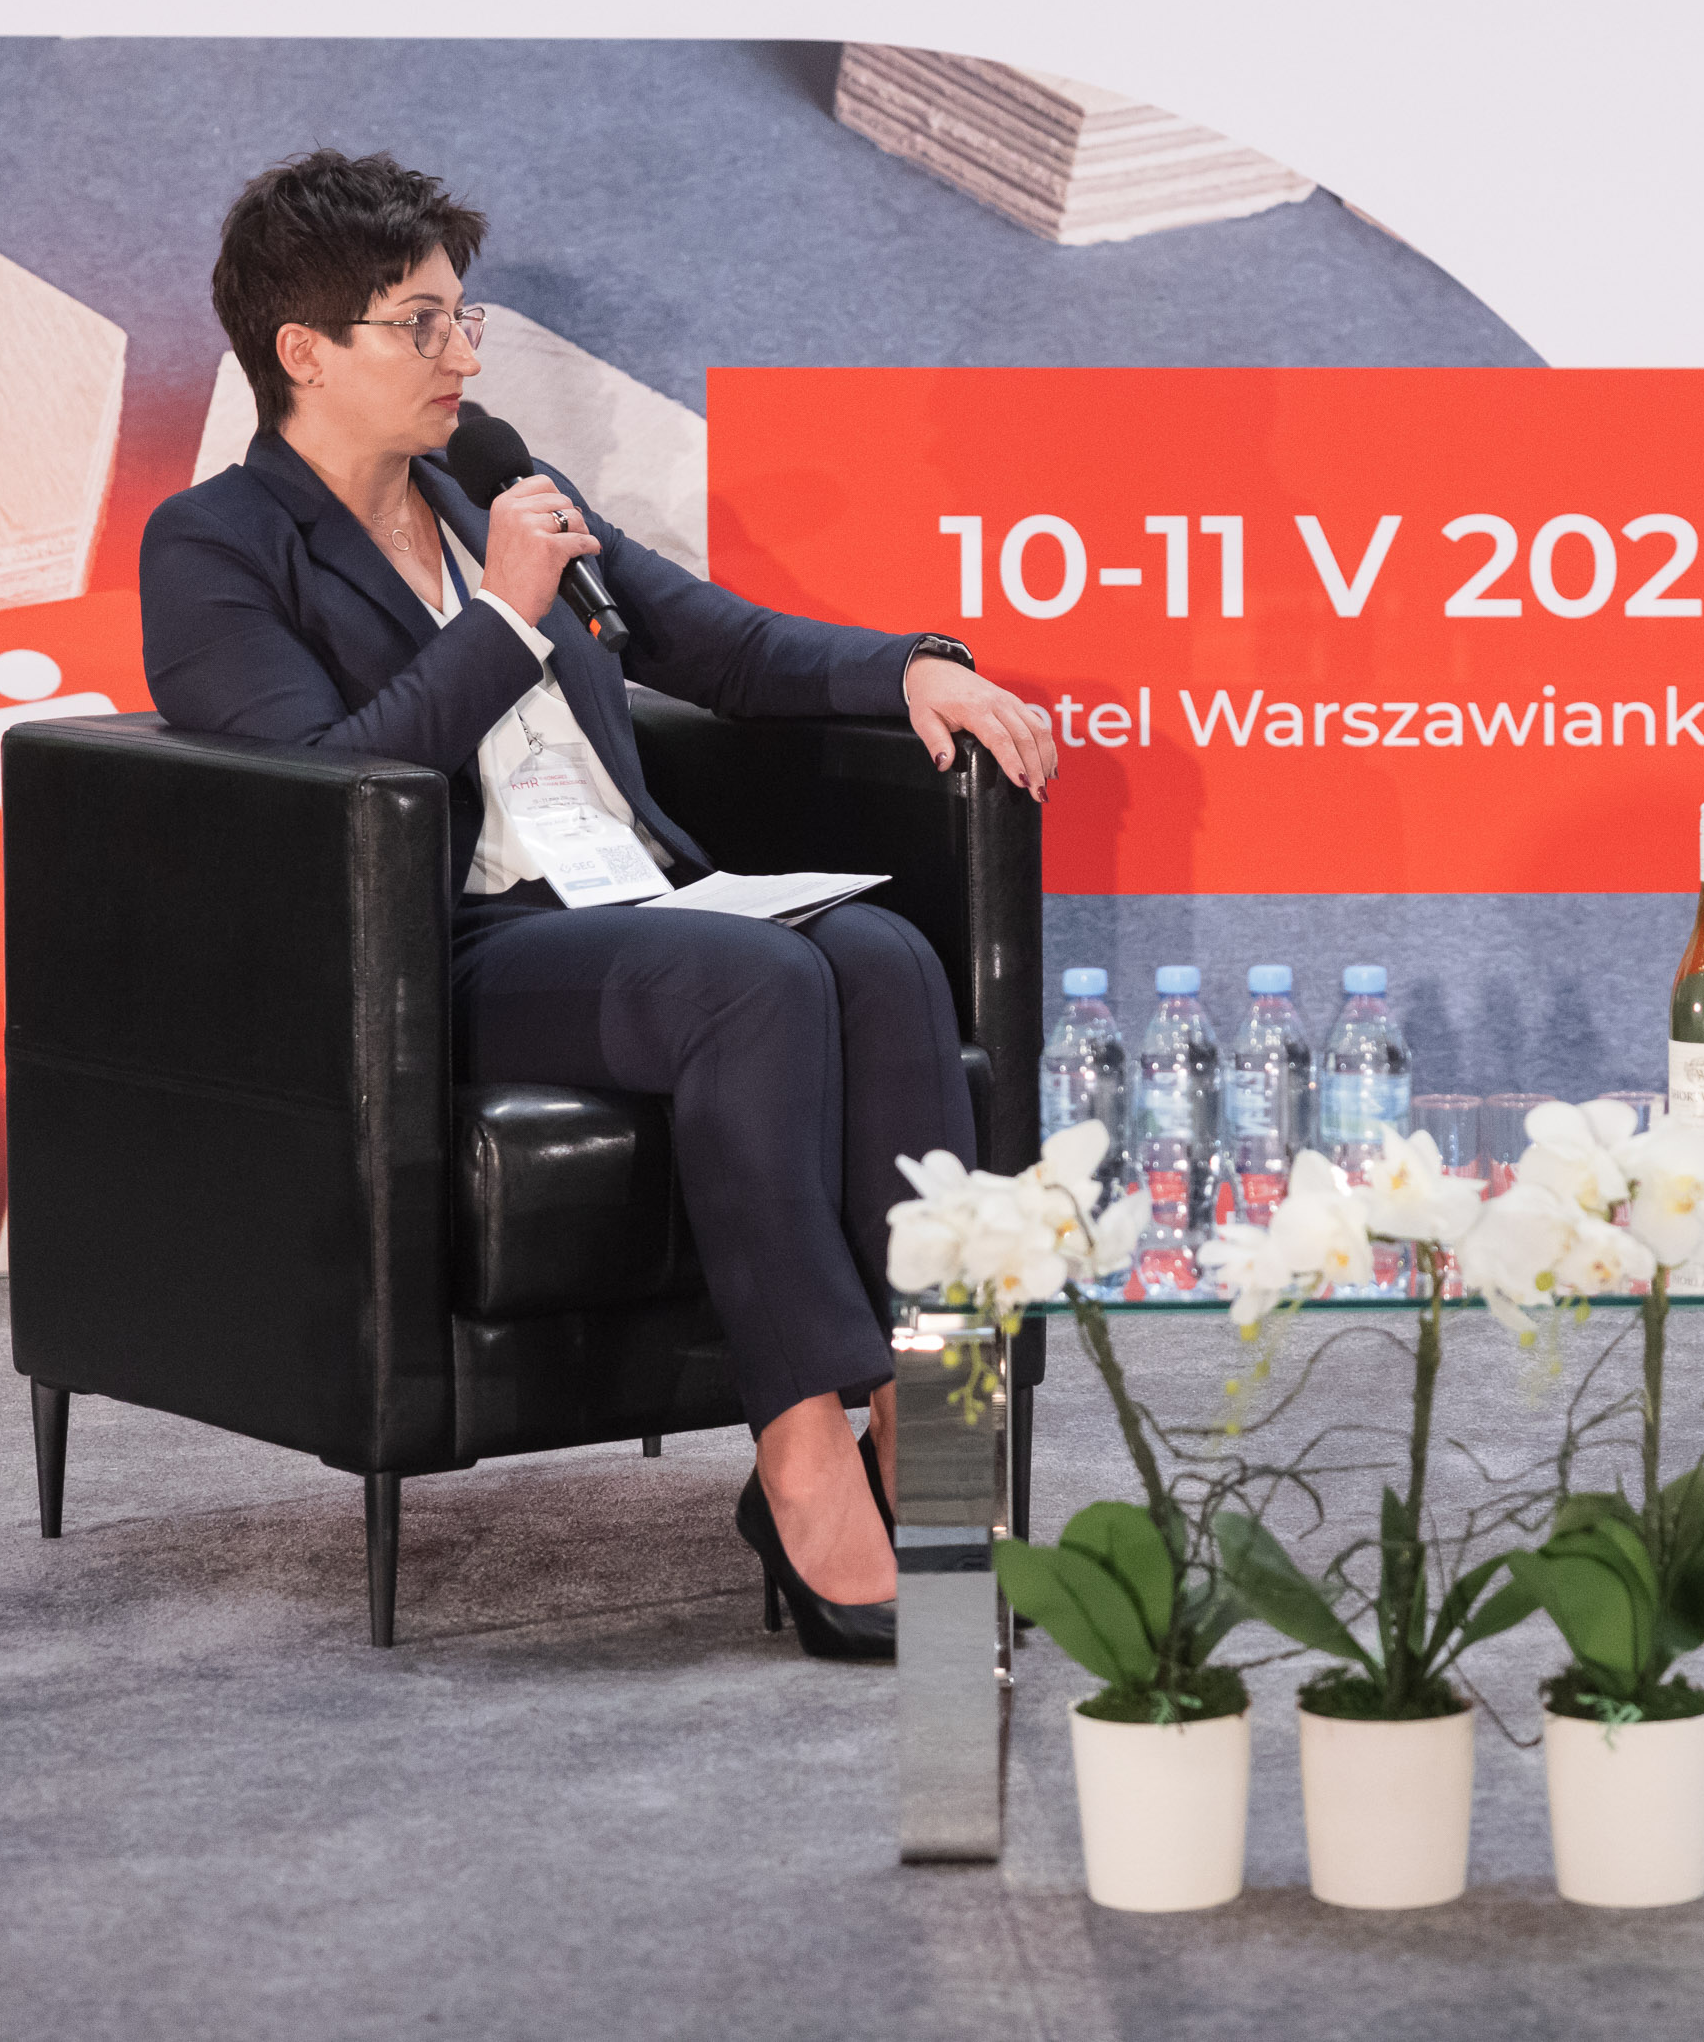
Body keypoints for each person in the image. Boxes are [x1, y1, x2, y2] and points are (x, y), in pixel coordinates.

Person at [139, 150, 1060, 1662]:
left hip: (637, 899)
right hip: (447, 950)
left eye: (464, 316)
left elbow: (709, 641)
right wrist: (504, 615)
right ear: (303, 351)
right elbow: (322, 790)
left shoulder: (487, 479)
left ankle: (937, 1441)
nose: (462, 353)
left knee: (886, 957)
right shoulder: (216, 546)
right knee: (752, 981)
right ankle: (800, 1461)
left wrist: (908, 667)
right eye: (421, 324)